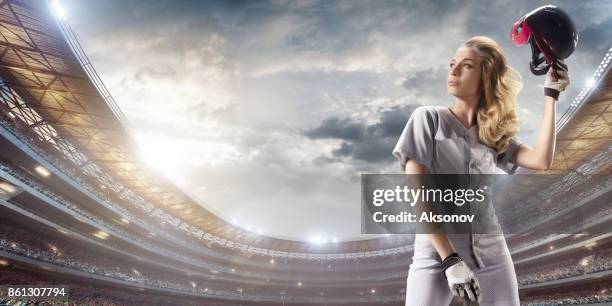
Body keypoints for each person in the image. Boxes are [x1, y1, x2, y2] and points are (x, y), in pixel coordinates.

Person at [392, 36, 570, 306]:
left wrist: (551, 96)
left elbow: (541, 160)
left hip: (493, 253)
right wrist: (450, 259)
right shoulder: (427, 119)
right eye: (452, 64)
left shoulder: (492, 131)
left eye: (466, 66)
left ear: (487, 76)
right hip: (435, 255)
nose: (453, 71)